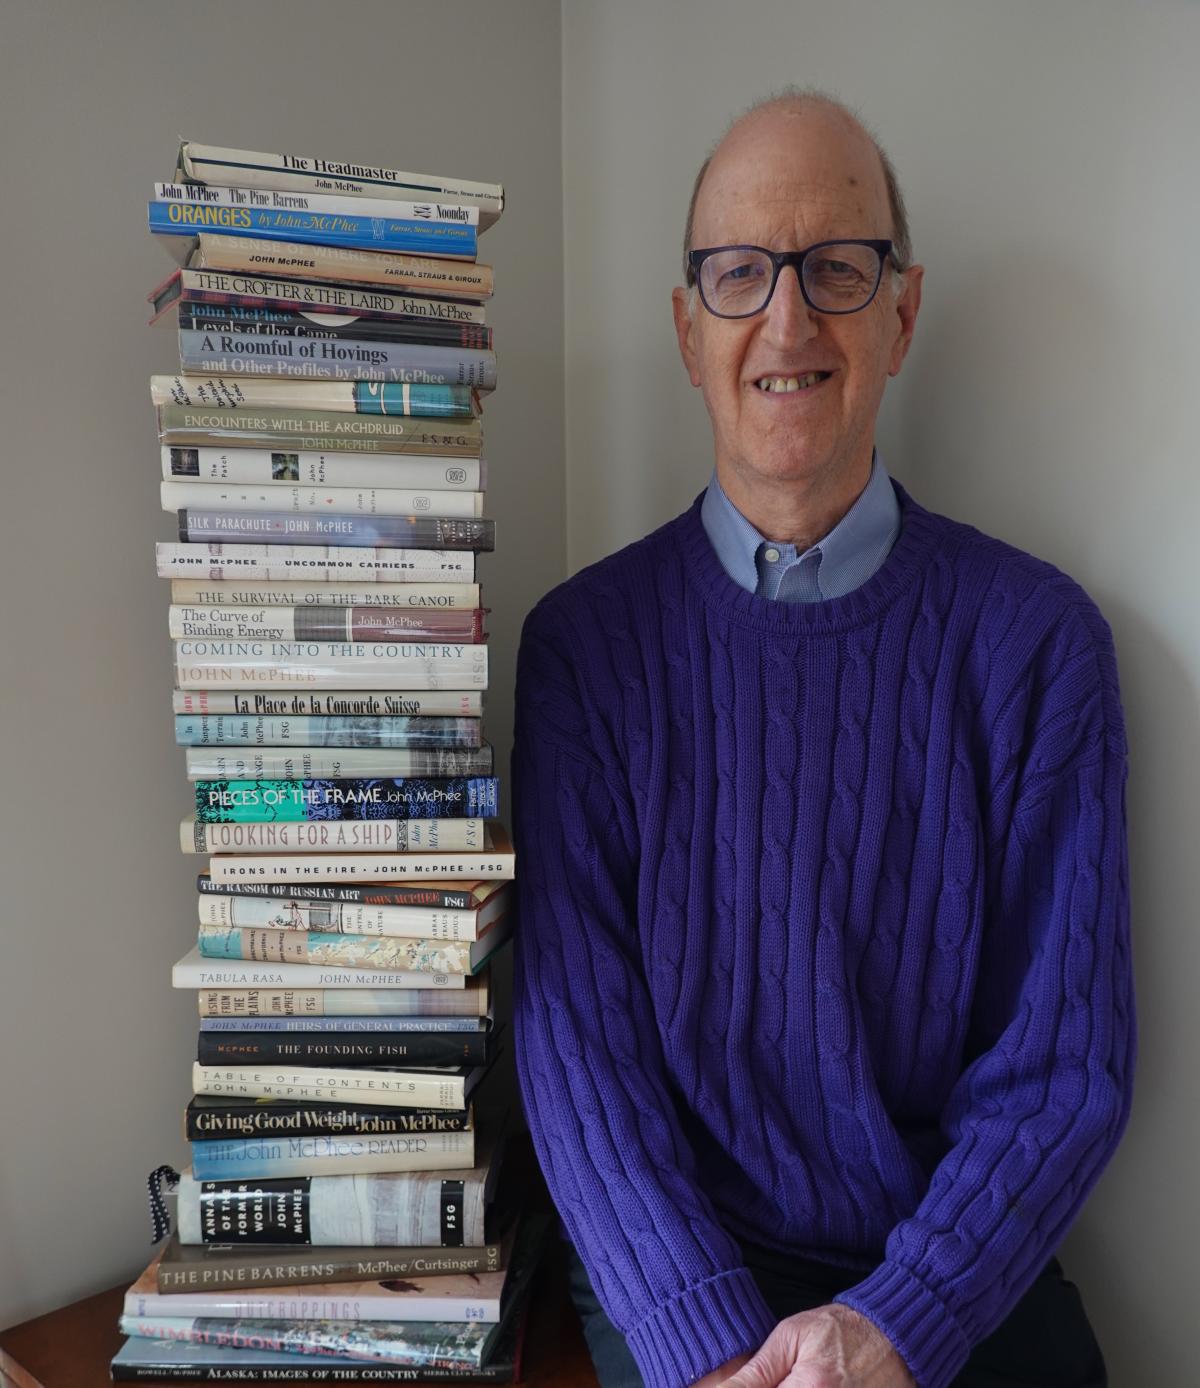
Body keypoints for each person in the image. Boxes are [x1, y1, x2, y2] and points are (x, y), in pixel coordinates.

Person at [511, 90, 1133, 1388]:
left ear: (901, 314)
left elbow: (1063, 1068)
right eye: (739, 274)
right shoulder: (584, 651)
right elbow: (579, 1052)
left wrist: (896, 1326)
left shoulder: (1039, 646)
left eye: (835, 269)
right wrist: (713, 1346)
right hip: (683, 1278)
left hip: (950, 1279)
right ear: (689, 330)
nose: (785, 319)